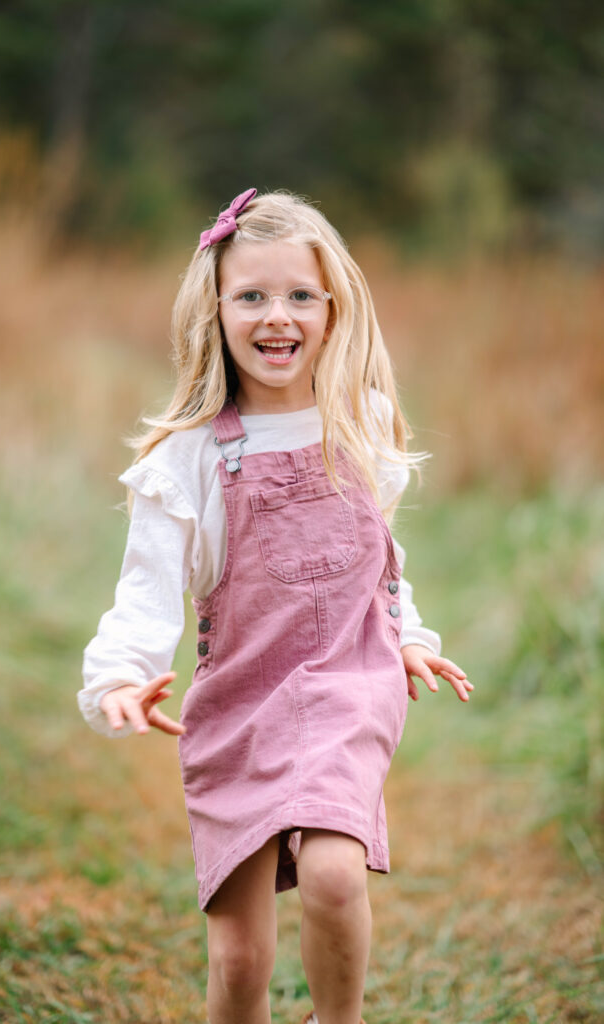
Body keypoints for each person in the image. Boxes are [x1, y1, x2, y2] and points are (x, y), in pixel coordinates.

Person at [78, 188, 472, 1024]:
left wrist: (406, 634)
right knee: (239, 957)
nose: (275, 315)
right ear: (214, 311)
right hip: (239, 702)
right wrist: (120, 674)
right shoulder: (187, 457)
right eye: (250, 296)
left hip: (345, 681)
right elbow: (146, 589)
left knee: (332, 874)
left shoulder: (359, 427)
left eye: (298, 295)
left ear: (333, 309)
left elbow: (380, 561)